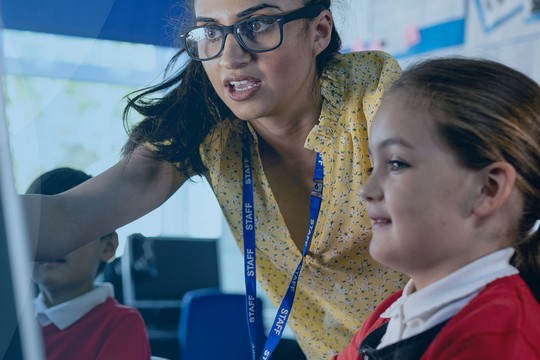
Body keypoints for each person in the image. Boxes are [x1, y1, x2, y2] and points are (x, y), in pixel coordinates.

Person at [22, 1, 406, 358]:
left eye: (257, 25)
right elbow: (68, 217)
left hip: (442, 336)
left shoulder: (376, 98)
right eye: (210, 32)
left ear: (320, 31)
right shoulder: (204, 123)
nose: (230, 57)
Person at [333, 58, 540, 359]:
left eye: (396, 163)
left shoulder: (495, 339)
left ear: (487, 190)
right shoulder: (391, 314)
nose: (367, 191)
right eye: (372, 165)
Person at [27, 168, 151, 360]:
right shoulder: (14, 322)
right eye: (39, 229)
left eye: (67, 229)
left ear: (107, 246)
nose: (52, 244)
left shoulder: (120, 325)